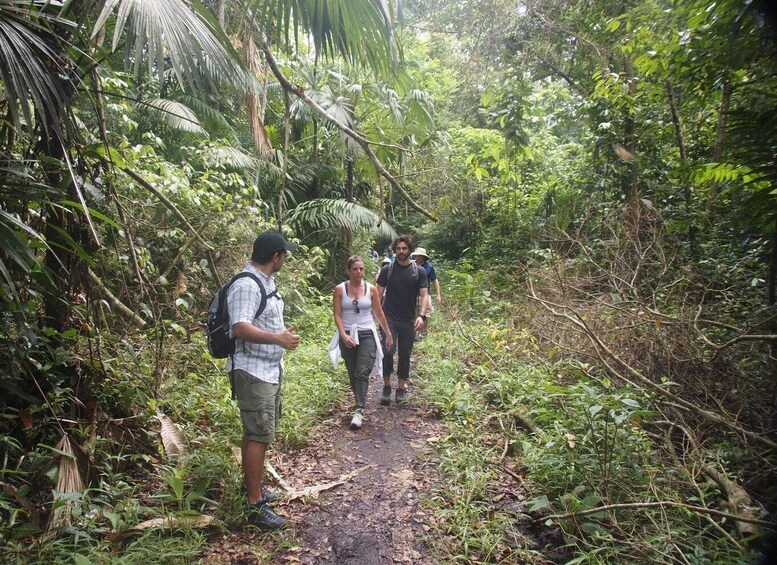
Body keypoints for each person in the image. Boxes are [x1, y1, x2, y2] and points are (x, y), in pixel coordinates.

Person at [227, 231, 300, 530]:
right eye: (285, 254)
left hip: (267, 371)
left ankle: (253, 489)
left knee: (256, 432)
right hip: (253, 371)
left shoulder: (265, 281)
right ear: (276, 256)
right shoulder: (246, 284)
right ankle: (254, 507)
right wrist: (278, 339)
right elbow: (240, 327)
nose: (285, 258)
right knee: (258, 435)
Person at [328, 256, 393, 430]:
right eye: (355, 269)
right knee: (352, 372)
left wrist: (387, 333)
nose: (359, 272)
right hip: (348, 334)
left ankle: (359, 409)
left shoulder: (371, 289)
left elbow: (378, 313)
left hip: (367, 334)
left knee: (362, 371)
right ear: (348, 271)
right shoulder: (340, 289)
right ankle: (359, 401)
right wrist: (343, 335)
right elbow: (337, 314)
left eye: (362, 269)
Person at [375, 235, 429, 404]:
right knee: (387, 352)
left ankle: (400, 388)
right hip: (388, 317)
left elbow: (424, 294)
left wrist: (422, 315)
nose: (401, 252)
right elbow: (377, 294)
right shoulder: (387, 270)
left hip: (408, 319)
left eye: (404, 248)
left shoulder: (418, 271)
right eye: (398, 249)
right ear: (394, 250)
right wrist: (376, 315)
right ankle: (386, 386)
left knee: (405, 354)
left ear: (409, 250)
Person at [411, 247, 441, 340]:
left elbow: (434, 281)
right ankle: (415, 334)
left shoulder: (429, 267)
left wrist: (438, 294)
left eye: (420, 256)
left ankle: (424, 333)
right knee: (414, 314)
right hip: (413, 294)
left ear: (424, 257)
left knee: (425, 314)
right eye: (417, 256)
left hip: (425, 295)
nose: (418, 258)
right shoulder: (412, 265)